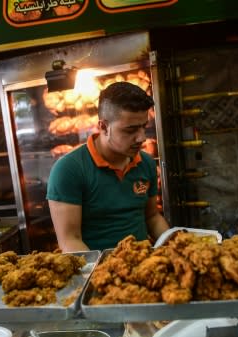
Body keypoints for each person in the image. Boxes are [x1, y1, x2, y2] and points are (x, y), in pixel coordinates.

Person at [46, 81, 170, 251]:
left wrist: (175, 246)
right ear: (103, 127)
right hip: (98, 270)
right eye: (130, 130)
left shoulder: (146, 163)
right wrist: (106, 273)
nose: (142, 138)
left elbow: (152, 217)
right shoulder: (69, 170)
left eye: (143, 127)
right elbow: (70, 240)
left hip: (143, 262)